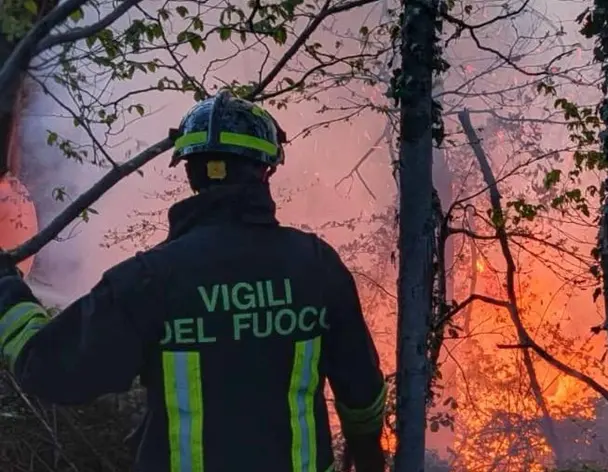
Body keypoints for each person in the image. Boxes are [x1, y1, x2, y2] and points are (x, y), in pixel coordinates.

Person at [0, 90, 386, 472]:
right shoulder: (315, 265)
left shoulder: (150, 279)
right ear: (265, 170)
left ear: (189, 171)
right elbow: (362, 391)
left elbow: (49, 369)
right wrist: (368, 457)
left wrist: (6, 289)